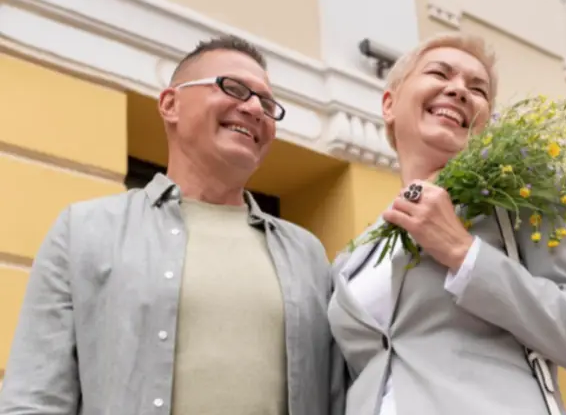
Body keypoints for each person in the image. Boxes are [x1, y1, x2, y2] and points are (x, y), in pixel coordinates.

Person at [0, 35, 345, 415]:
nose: (253, 108)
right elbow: (34, 400)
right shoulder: (84, 230)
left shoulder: (308, 255)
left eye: (266, 103)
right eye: (233, 88)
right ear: (170, 104)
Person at [327, 32, 566, 414]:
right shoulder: (356, 255)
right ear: (389, 104)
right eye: (439, 73)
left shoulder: (523, 197)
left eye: (478, 89)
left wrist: (464, 254)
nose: (458, 90)